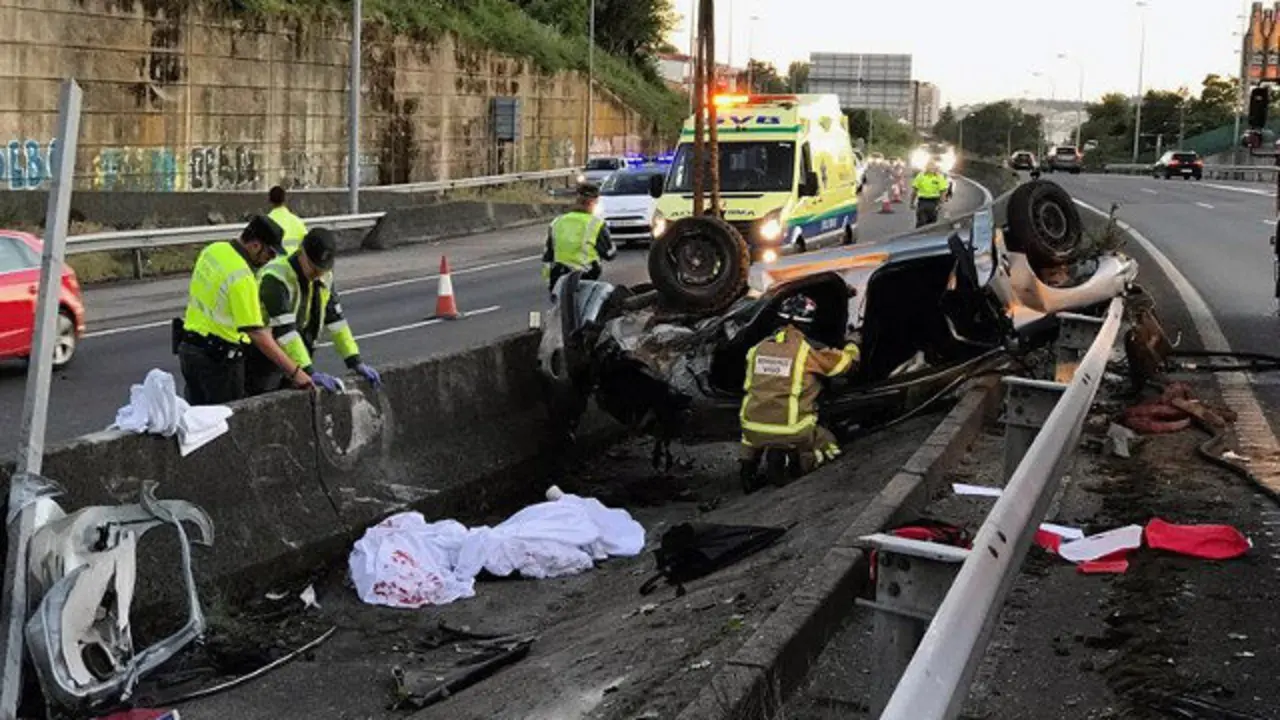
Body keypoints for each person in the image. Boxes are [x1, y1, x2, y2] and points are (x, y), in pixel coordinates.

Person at [178, 215, 312, 404]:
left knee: (195, 416)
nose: (271, 259)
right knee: (227, 419)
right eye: (270, 253)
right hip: (219, 363)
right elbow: (258, 336)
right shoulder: (242, 277)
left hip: (189, 351)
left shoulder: (213, 250)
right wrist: (297, 373)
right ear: (255, 245)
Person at [739, 295, 860, 492]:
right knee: (830, 446)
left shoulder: (756, 349)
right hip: (793, 430)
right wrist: (853, 343)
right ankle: (799, 465)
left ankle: (747, 472)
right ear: (808, 324)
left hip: (751, 430)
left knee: (755, 432)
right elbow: (845, 366)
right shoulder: (808, 350)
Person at [245, 227, 382, 396]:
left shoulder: (324, 276)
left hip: (296, 357)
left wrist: (354, 360)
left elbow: (336, 321)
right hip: (266, 357)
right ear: (301, 252)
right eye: (314, 268)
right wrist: (308, 371)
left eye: (323, 269)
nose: (318, 274)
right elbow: (285, 332)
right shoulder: (276, 277)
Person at [542, 183, 616, 294]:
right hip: (585, 276)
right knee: (604, 296)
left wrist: (550, 283)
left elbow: (548, 255)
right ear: (594, 203)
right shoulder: (595, 223)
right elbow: (609, 253)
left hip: (558, 278)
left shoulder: (557, 222)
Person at [267, 185, 308, 255]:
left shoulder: (264, 223)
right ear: (285, 199)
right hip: (292, 261)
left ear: (269, 200)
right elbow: (307, 245)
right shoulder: (297, 221)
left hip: (273, 261)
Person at [911, 159, 952, 228]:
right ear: (926, 167)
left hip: (934, 203)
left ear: (936, 168)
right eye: (929, 166)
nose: (931, 168)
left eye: (933, 166)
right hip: (922, 202)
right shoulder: (921, 176)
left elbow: (943, 191)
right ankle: (920, 233)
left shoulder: (939, 177)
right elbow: (914, 190)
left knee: (931, 224)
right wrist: (912, 202)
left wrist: (941, 203)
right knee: (921, 223)